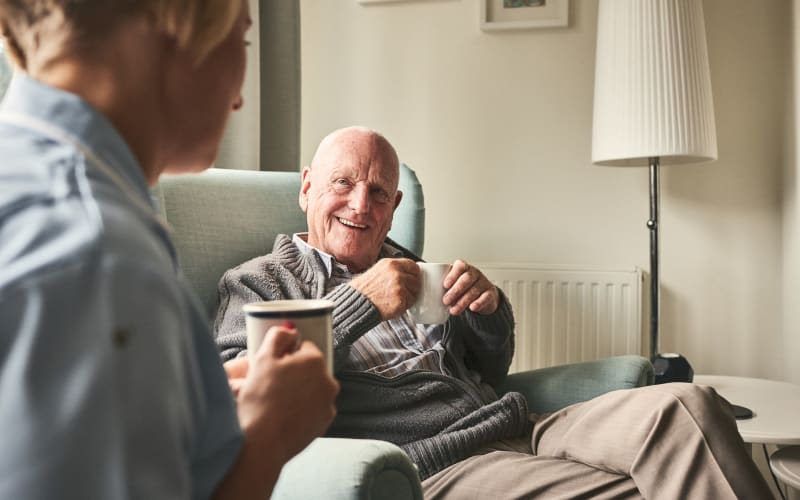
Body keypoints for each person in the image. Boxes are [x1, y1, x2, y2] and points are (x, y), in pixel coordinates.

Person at [214, 125, 773, 499]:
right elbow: (241, 393)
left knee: (686, 407)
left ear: (393, 210)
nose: (361, 204)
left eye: (379, 193)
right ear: (307, 188)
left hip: (518, 422)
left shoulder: (412, 267)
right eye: (343, 183)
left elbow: (492, 367)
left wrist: (486, 311)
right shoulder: (258, 280)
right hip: (437, 463)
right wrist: (363, 301)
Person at [0, 1, 339, 499]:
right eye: (241, 40)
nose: (241, 98)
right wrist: (270, 432)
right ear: (172, 26)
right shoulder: (104, 264)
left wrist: (176, 392)